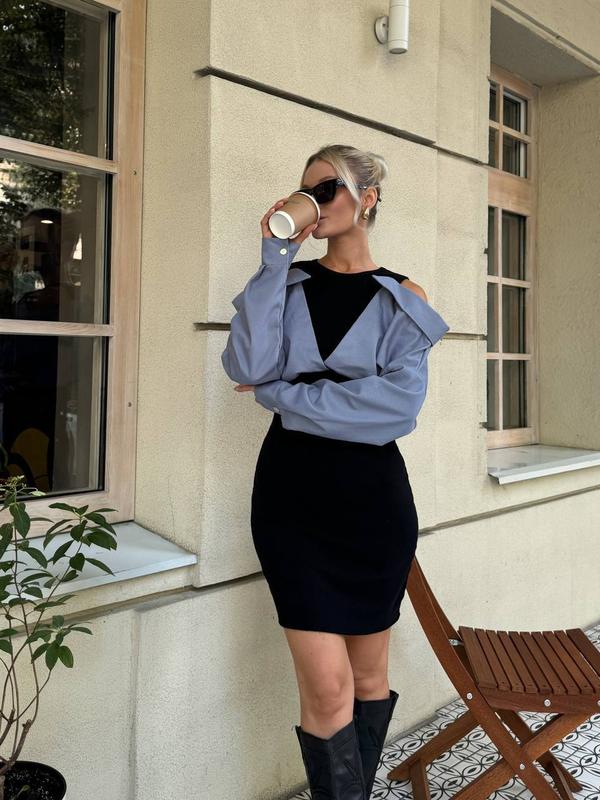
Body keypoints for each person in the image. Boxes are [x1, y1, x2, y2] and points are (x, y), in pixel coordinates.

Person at [221, 144, 449, 799]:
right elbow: (246, 366)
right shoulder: (286, 285)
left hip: (373, 506)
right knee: (326, 687)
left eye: (329, 189)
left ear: (367, 199)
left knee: (368, 679)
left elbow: (393, 410)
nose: (315, 202)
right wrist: (275, 254)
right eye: (307, 190)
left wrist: (282, 395)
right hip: (291, 502)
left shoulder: (403, 296)